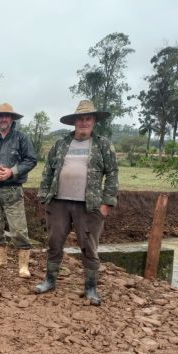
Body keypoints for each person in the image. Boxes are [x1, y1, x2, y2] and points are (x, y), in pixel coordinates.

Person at [35, 100, 118, 306]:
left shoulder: (103, 145)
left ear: (94, 121)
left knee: (89, 247)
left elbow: (112, 174)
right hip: (59, 203)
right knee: (54, 242)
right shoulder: (61, 143)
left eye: (88, 118)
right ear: (74, 122)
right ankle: (50, 280)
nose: (83, 122)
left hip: (89, 206)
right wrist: (44, 195)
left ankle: (91, 288)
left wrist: (107, 202)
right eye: (80, 119)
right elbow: (48, 171)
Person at [0, 103, 37, 278]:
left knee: (18, 229)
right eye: (0, 116)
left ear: (11, 119)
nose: (3, 119)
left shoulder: (21, 138)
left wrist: (13, 171)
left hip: (12, 190)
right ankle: (0, 259)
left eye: (6, 116)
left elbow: (31, 160)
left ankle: (23, 265)